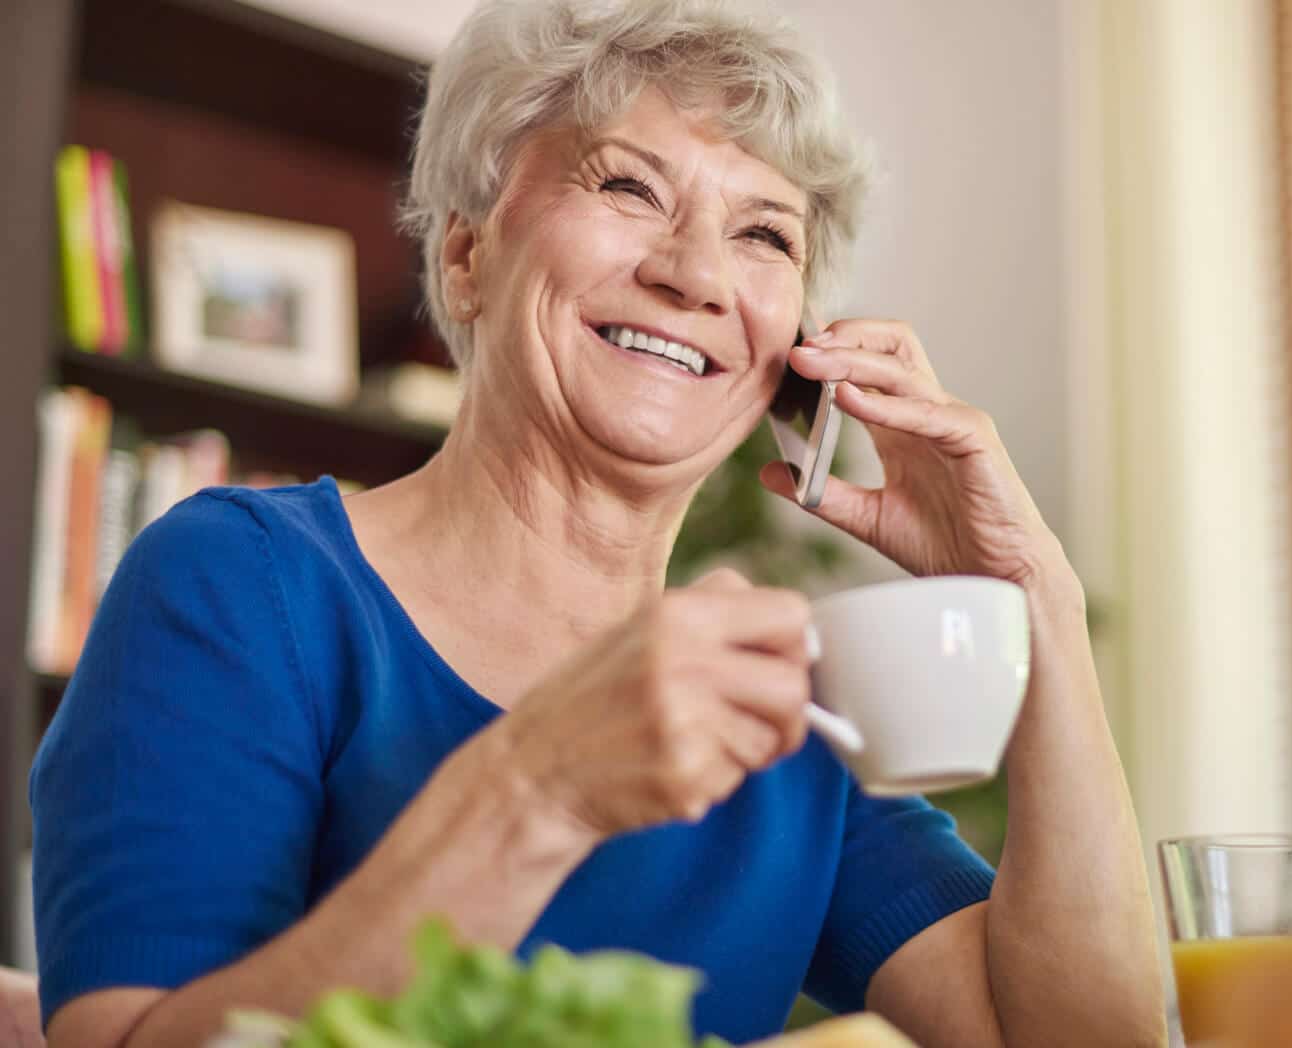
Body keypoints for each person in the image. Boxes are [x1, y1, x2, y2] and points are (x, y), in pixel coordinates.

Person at [31, 1, 1163, 1045]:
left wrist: (1035, 598)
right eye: (627, 187)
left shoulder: (793, 711)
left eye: (765, 236)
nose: (695, 275)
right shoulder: (241, 585)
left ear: (797, 358)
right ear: (469, 255)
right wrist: (533, 789)